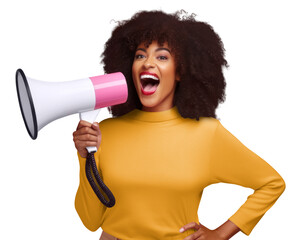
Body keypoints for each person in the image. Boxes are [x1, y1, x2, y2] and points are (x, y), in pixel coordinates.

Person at [73, 10, 285, 240]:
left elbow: (271, 184)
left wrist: (221, 234)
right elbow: (91, 221)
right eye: (140, 56)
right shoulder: (105, 132)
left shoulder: (207, 134)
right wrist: (85, 156)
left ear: (181, 71)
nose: (148, 64)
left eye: (162, 57)